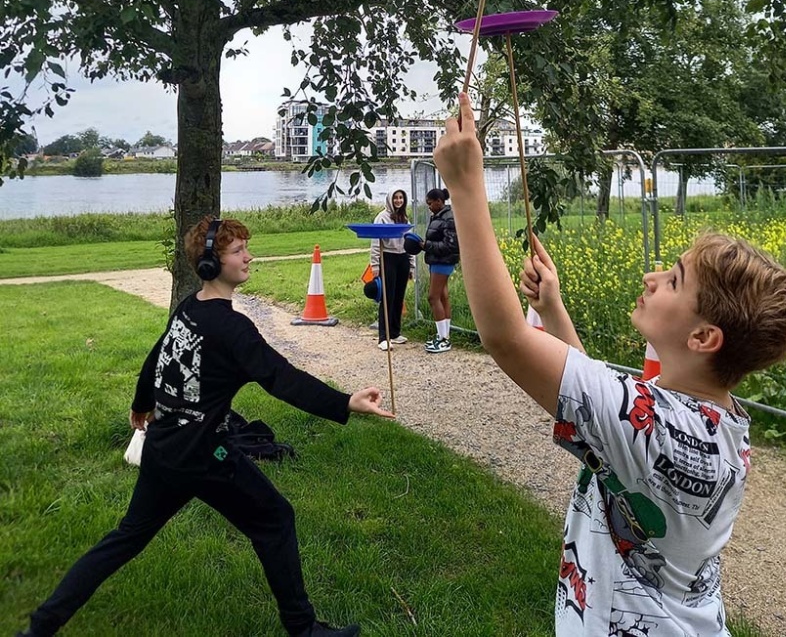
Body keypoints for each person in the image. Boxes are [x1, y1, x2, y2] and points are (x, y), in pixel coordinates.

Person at [434, 93, 786, 637]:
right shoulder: (718, 424)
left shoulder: (655, 424)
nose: (654, 277)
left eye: (675, 280)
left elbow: (506, 340)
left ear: (703, 337)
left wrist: (467, 189)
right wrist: (553, 310)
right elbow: (611, 419)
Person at [15, 216, 394, 637]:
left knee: (125, 538)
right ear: (213, 264)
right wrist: (345, 402)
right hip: (203, 456)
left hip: (165, 448)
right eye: (238, 251)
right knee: (275, 519)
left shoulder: (190, 308)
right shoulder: (232, 328)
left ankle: (38, 629)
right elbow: (280, 378)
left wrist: (142, 404)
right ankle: (304, 630)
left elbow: (159, 353)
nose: (249, 257)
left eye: (247, 247)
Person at [369, 189, 414, 350]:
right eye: (395, 197)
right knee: (387, 297)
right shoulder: (381, 217)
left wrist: (411, 265)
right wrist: (375, 265)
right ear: (390, 199)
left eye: (401, 197)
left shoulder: (404, 218)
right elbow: (375, 242)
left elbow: (410, 242)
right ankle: (383, 336)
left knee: (398, 297)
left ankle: (395, 332)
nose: (398, 200)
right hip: (387, 258)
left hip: (403, 259)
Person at [417, 187, 460, 354]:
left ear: (439, 201)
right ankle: (444, 335)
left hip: (443, 261)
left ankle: (443, 339)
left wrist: (426, 246)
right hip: (437, 260)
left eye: (430, 203)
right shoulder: (439, 216)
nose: (429, 206)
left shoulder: (448, 218)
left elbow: (451, 245)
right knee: (442, 296)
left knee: (433, 297)